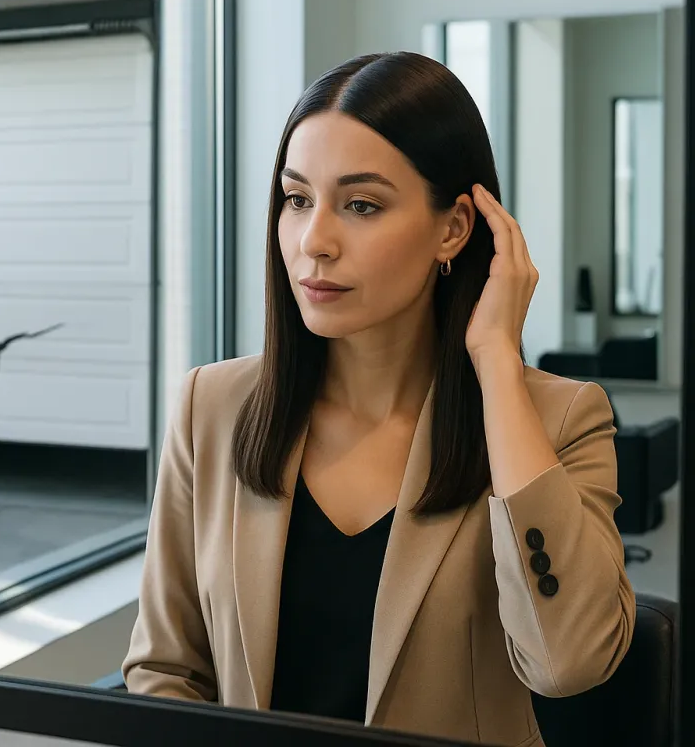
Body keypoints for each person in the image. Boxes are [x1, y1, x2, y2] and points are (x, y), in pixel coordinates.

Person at [121, 52, 635, 747]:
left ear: (452, 229)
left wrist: (496, 367)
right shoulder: (210, 408)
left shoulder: (556, 420)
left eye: (361, 205)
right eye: (297, 199)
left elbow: (568, 661)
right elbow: (165, 671)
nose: (314, 242)